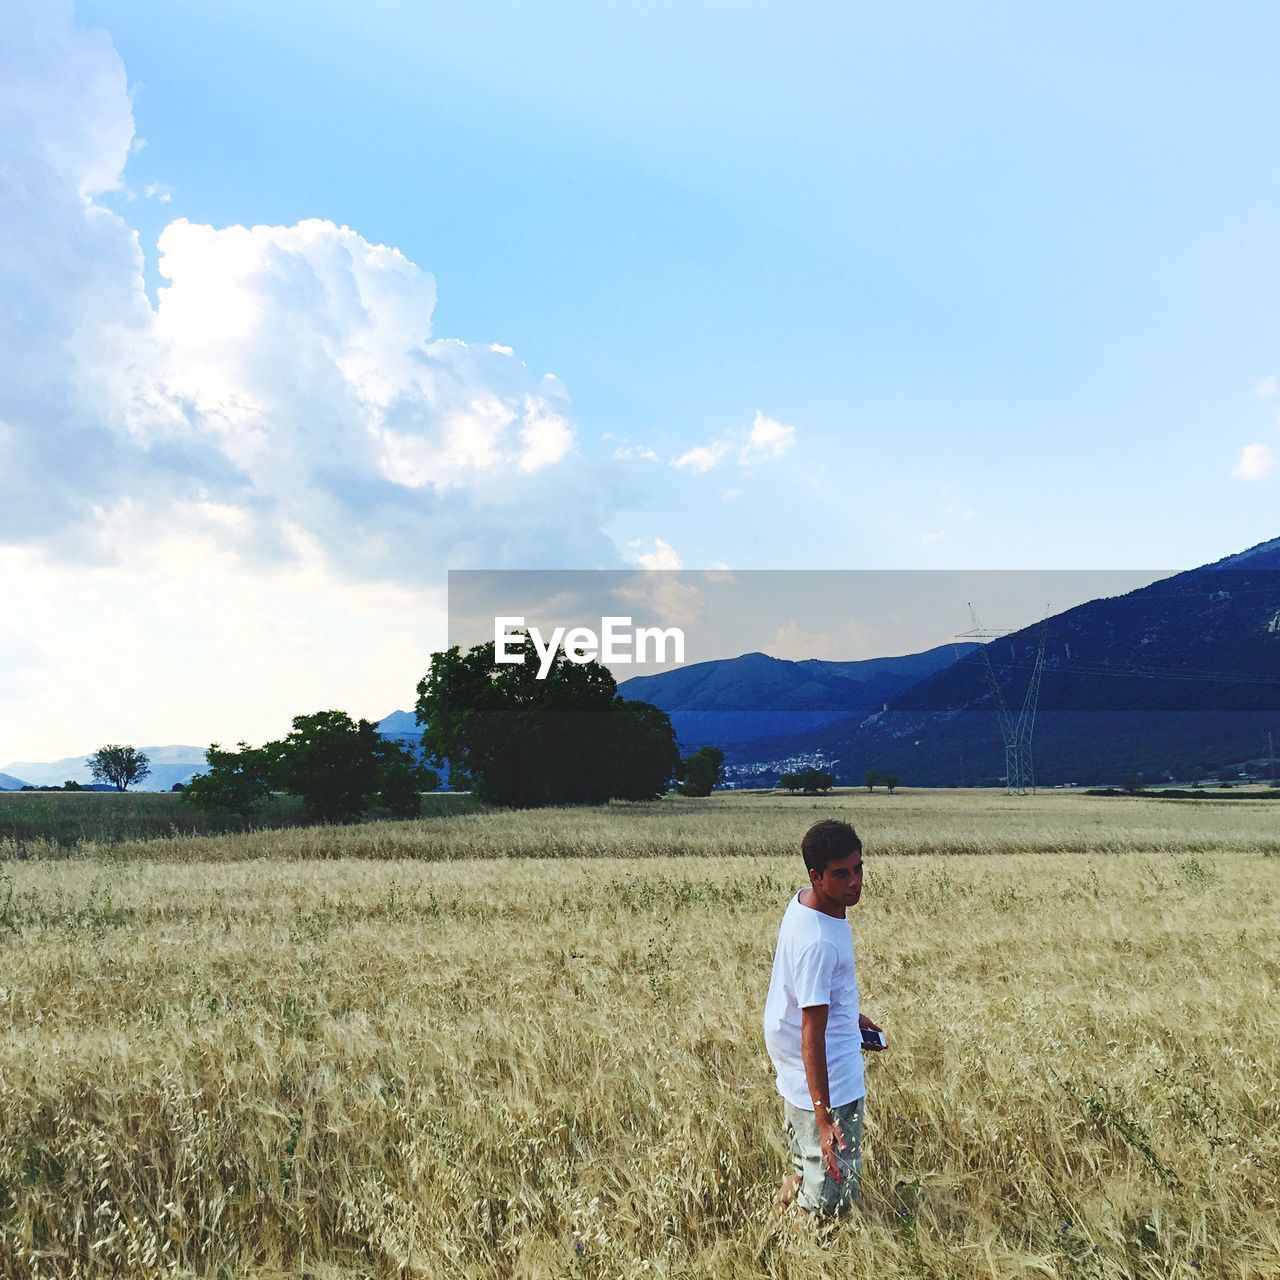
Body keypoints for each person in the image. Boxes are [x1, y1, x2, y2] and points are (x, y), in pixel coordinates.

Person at [764, 818, 883, 1218]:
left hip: (795, 1069)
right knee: (832, 1194)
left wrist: (851, 1019)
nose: (855, 881)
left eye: (858, 867)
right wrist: (824, 1116)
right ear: (816, 876)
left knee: (803, 1168)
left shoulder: (808, 903)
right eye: (841, 873)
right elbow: (812, 1035)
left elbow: (811, 996)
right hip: (826, 1074)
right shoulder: (819, 942)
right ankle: (803, 1251)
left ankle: (776, 1227)